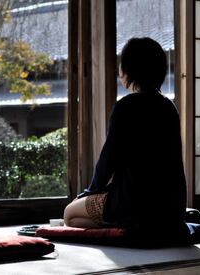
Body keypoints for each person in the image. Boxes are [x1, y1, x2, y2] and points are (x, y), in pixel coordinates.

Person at [63, 37, 187, 240]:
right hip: (171, 209)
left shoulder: (126, 107)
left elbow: (107, 162)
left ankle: (125, 227)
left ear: (130, 69)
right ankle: (134, 226)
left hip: (132, 203)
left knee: (69, 215)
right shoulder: (168, 107)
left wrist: (90, 193)